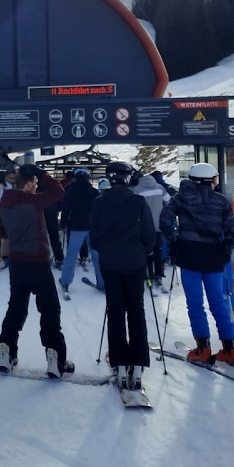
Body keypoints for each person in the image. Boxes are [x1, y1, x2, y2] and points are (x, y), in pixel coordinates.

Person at [0, 164, 72, 379]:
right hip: (38, 262)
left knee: (16, 309)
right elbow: (58, 191)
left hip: (17, 263)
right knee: (49, 309)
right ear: (28, 183)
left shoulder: (4, 203)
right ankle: (55, 358)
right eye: (34, 184)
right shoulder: (33, 201)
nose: (37, 187)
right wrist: (42, 174)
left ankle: (5, 352)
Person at [158, 162, 234, 367]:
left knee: (195, 303)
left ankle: (203, 348)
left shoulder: (181, 198)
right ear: (210, 180)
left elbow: (164, 219)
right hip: (214, 257)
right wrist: (225, 251)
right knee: (218, 303)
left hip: (188, 256)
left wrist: (174, 241)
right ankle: (230, 349)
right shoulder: (221, 201)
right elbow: (233, 230)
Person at [89, 161, 157, 391]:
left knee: (115, 311)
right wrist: (145, 251)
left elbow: (95, 238)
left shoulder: (100, 202)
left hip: (110, 263)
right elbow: (149, 233)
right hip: (135, 262)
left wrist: (107, 250)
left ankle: (119, 364)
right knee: (136, 310)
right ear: (128, 179)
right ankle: (137, 364)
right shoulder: (138, 202)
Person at [57, 167, 102, 294]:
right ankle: (102, 282)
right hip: (92, 227)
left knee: (71, 254)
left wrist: (64, 223)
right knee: (96, 255)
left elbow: (65, 208)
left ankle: (65, 280)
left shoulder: (70, 191)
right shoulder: (94, 192)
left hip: (76, 226)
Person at [132, 170, 168, 292]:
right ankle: (159, 275)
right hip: (158, 225)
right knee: (158, 251)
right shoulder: (160, 187)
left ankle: (148, 276)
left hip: (144, 226)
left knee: (146, 252)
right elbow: (168, 201)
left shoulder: (137, 190)